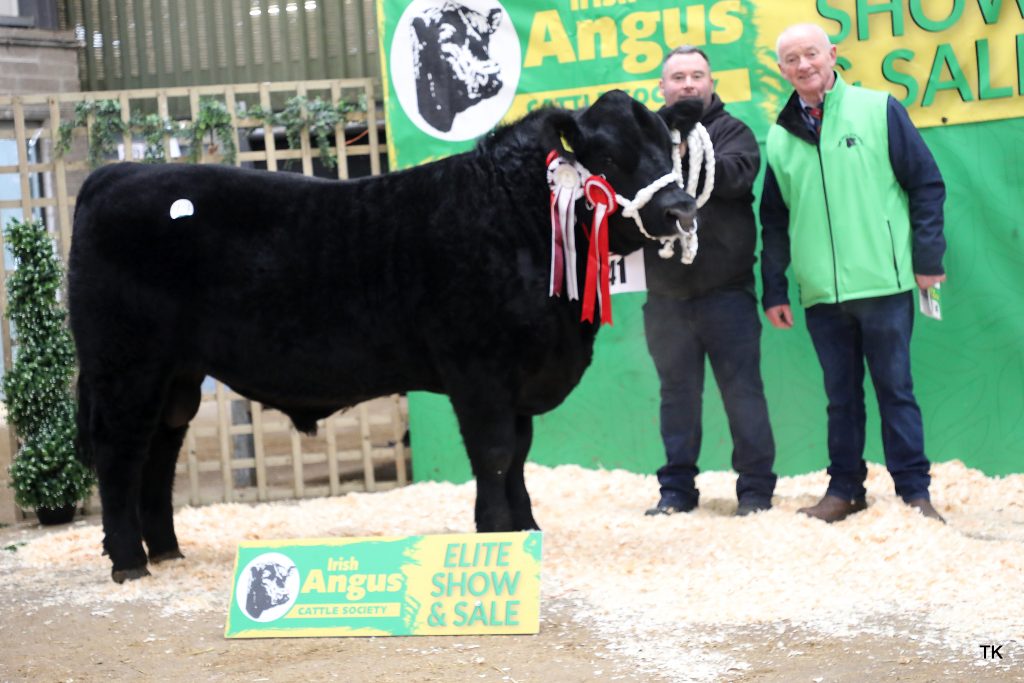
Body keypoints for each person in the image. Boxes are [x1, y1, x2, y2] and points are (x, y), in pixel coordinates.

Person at [759, 24, 947, 523]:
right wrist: (774, 288)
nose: (804, 65)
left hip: (883, 282)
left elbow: (926, 184)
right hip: (822, 293)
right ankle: (844, 491)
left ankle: (914, 494)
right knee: (840, 399)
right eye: (792, 59)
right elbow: (774, 221)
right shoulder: (778, 136)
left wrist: (928, 261)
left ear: (832, 55)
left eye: (812, 54)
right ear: (781, 70)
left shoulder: (878, 109)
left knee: (896, 390)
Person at [643, 46, 777, 517]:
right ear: (662, 88)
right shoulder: (646, 140)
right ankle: (676, 491)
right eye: (677, 77)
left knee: (743, 393)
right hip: (664, 297)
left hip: (727, 294)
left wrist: (685, 157)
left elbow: (739, 176)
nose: (687, 84)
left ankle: (756, 492)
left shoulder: (733, 132)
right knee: (676, 397)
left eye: (697, 75)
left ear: (711, 83)